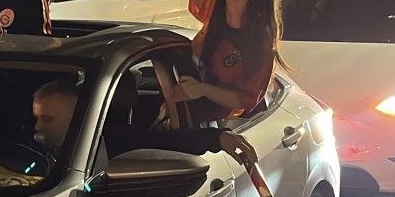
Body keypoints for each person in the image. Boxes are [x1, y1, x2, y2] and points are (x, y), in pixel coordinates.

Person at [31, 80, 258, 167]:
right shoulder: (29, 149)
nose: (37, 128)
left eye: (48, 119)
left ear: (76, 115)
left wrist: (217, 137)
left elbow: (165, 142)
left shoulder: (113, 143)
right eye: (37, 118)